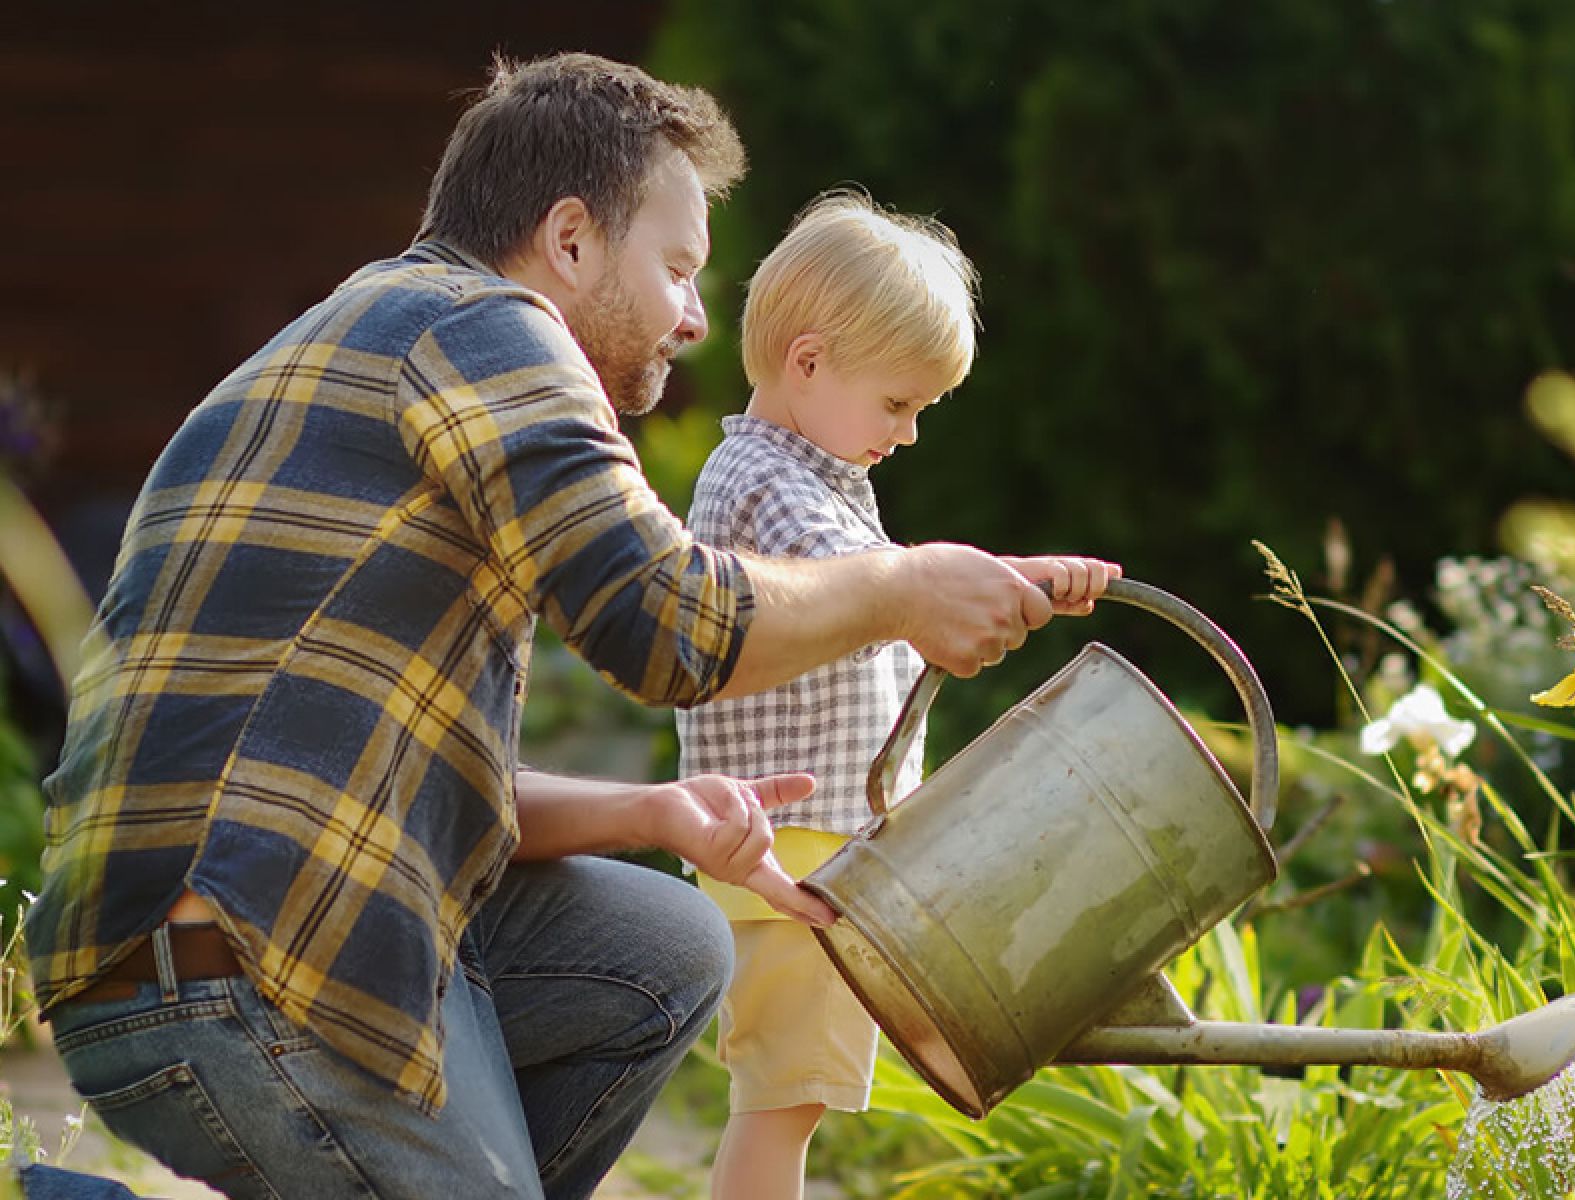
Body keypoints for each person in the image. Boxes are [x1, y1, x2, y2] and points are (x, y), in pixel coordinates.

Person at [22, 54, 1106, 1199]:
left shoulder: (362, 336)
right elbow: (666, 624)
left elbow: (404, 779)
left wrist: (651, 814)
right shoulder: (491, 331)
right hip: (232, 960)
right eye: (678, 267)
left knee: (667, 945)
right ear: (574, 239)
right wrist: (900, 587)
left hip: (183, 941)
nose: (695, 315)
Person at [675, 191, 1118, 1200]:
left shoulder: (808, 480)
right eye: (898, 404)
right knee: (782, 1106)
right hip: (793, 855)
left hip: (810, 848)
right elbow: (883, 595)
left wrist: (1025, 579)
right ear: (810, 361)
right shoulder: (767, 488)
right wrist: (986, 581)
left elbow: (901, 588)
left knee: (794, 1097)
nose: (909, 433)